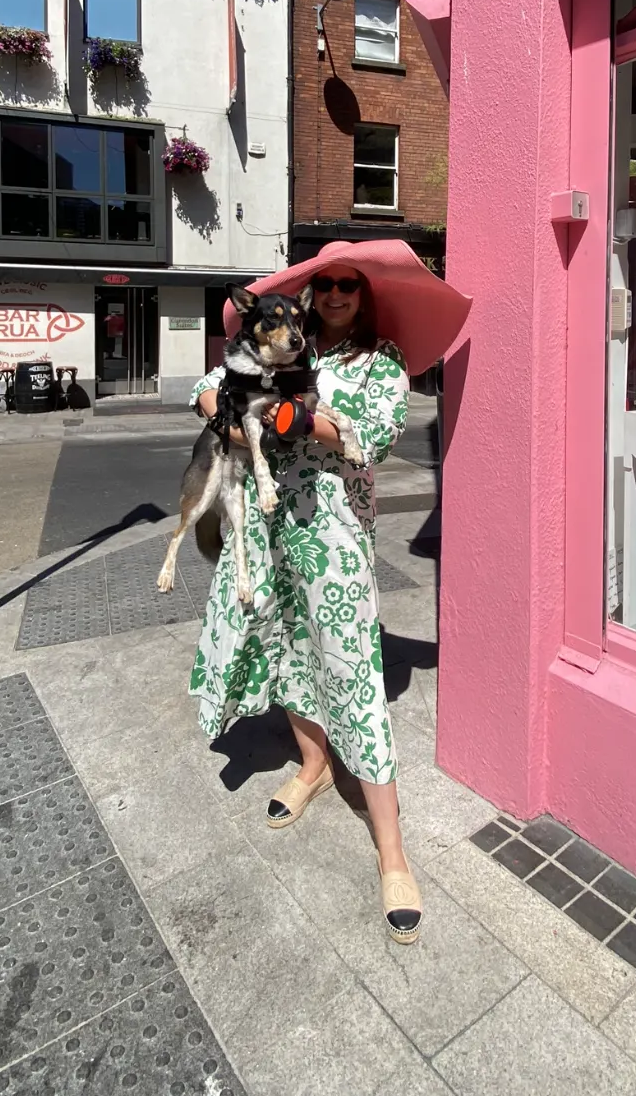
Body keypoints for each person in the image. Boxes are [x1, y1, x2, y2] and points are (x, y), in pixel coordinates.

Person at [187, 240, 471, 948]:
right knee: (283, 652)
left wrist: (303, 421)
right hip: (270, 526)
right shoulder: (286, 340)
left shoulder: (381, 363)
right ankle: (313, 765)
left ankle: (394, 850)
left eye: (350, 284)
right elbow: (221, 383)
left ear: (366, 294)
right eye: (328, 284)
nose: (338, 293)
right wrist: (210, 398)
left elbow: (371, 439)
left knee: (352, 674)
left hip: (337, 539)